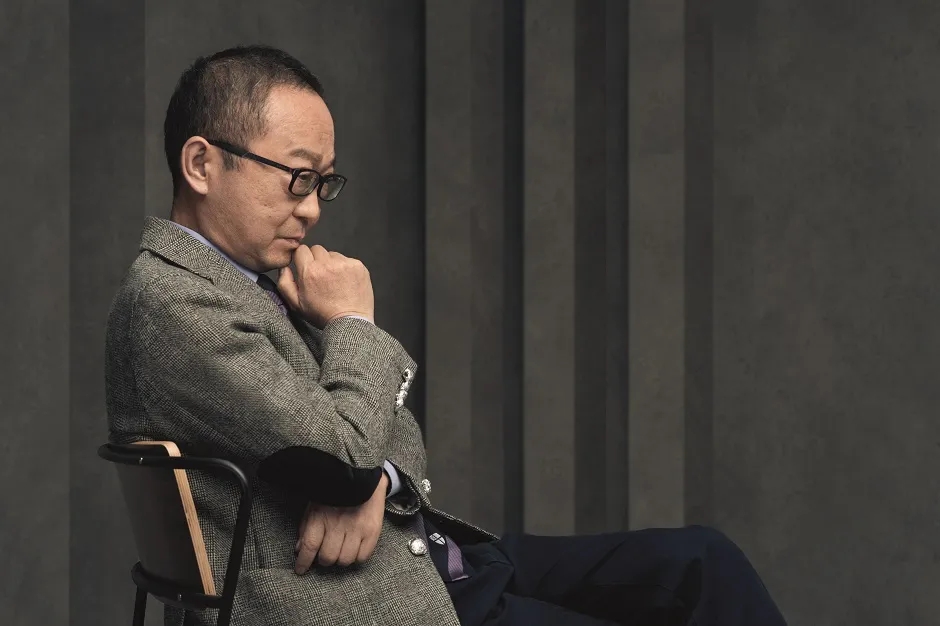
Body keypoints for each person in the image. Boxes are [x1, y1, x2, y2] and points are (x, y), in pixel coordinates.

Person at [105, 44, 787, 626]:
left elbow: (393, 436)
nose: (311, 210)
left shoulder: (250, 283)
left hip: (431, 559)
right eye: (297, 179)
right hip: (380, 603)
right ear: (202, 164)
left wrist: (374, 484)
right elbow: (343, 455)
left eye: (323, 184)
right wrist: (353, 324)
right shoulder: (175, 303)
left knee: (704, 560)